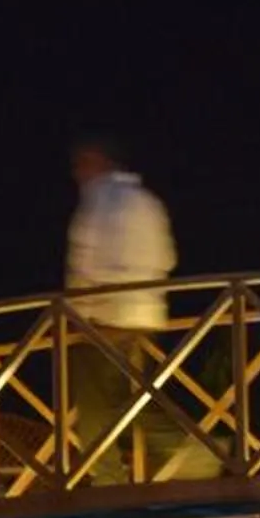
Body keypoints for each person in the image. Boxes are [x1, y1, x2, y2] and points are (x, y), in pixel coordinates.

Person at [64, 137, 177, 480]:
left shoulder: (99, 200)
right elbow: (168, 258)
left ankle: (108, 478)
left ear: (99, 162)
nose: (78, 173)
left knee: (96, 406)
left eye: (82, 164)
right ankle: (186, 447)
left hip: (107, 319)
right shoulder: (148, 202)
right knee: (133, 399)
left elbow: (86, 262)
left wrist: (77, 311)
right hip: (147, 318)